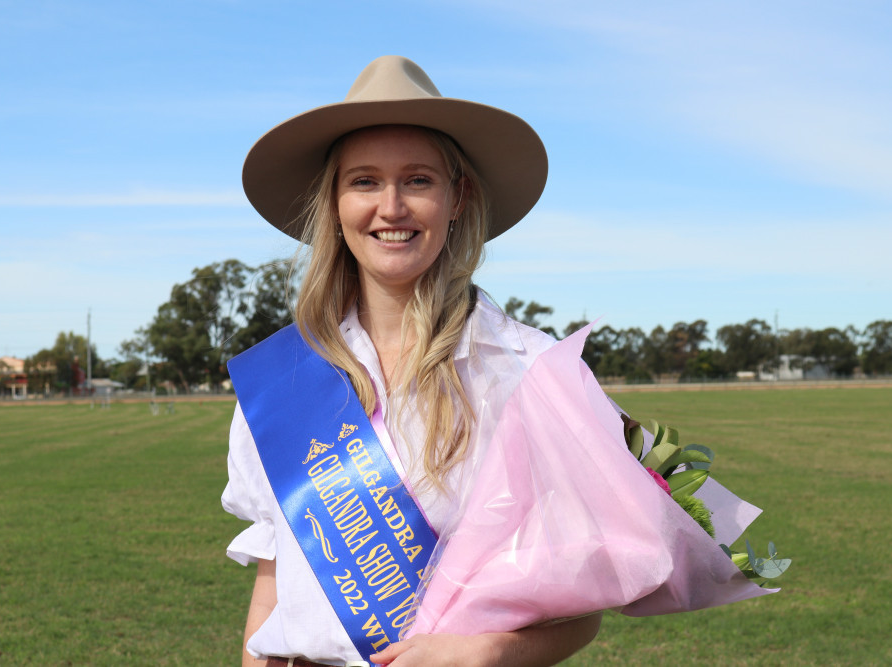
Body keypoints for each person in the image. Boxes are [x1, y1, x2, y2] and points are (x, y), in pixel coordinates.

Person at [221, 55, 604, 666]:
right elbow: (273, 587)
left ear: (458, 198)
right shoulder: (280, 381)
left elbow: (580, 608)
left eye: (419, 181)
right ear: (336, 205)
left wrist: (490, 654)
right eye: (365, 181)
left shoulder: (528, 370)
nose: (391, 207)